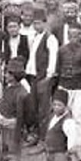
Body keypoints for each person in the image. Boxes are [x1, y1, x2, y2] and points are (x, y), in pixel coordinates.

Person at [56, 23, 81, 148]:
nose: (73, 39)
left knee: (78, 117)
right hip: (64, 87)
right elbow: (58, 68)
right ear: (67, 36)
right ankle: (62, 142)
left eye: (76, 36)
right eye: (71, 36)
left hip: (78, 89)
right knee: (62, 115)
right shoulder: (62, 50)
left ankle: (77, 146)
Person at [25, 9, 59, 145]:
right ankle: (36, 135)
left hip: (44, 77)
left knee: (44, 109)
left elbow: (53, 59)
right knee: (34, 108)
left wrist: (49, 76)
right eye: (34, 23)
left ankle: (44, 140)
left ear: (45, 23)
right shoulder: (34, 37)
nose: (36, 26)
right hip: (34, 76)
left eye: (39, 23)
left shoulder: (50, 38)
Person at [0, 59, 29, 161]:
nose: (5, 75)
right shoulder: (9, 88)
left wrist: (19, 132)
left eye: (8, 73)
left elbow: (20, 115)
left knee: (12, 156)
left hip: (13, 129)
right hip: (3, 126)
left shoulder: (21, 93)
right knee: (2, 154)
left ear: (14, 76)